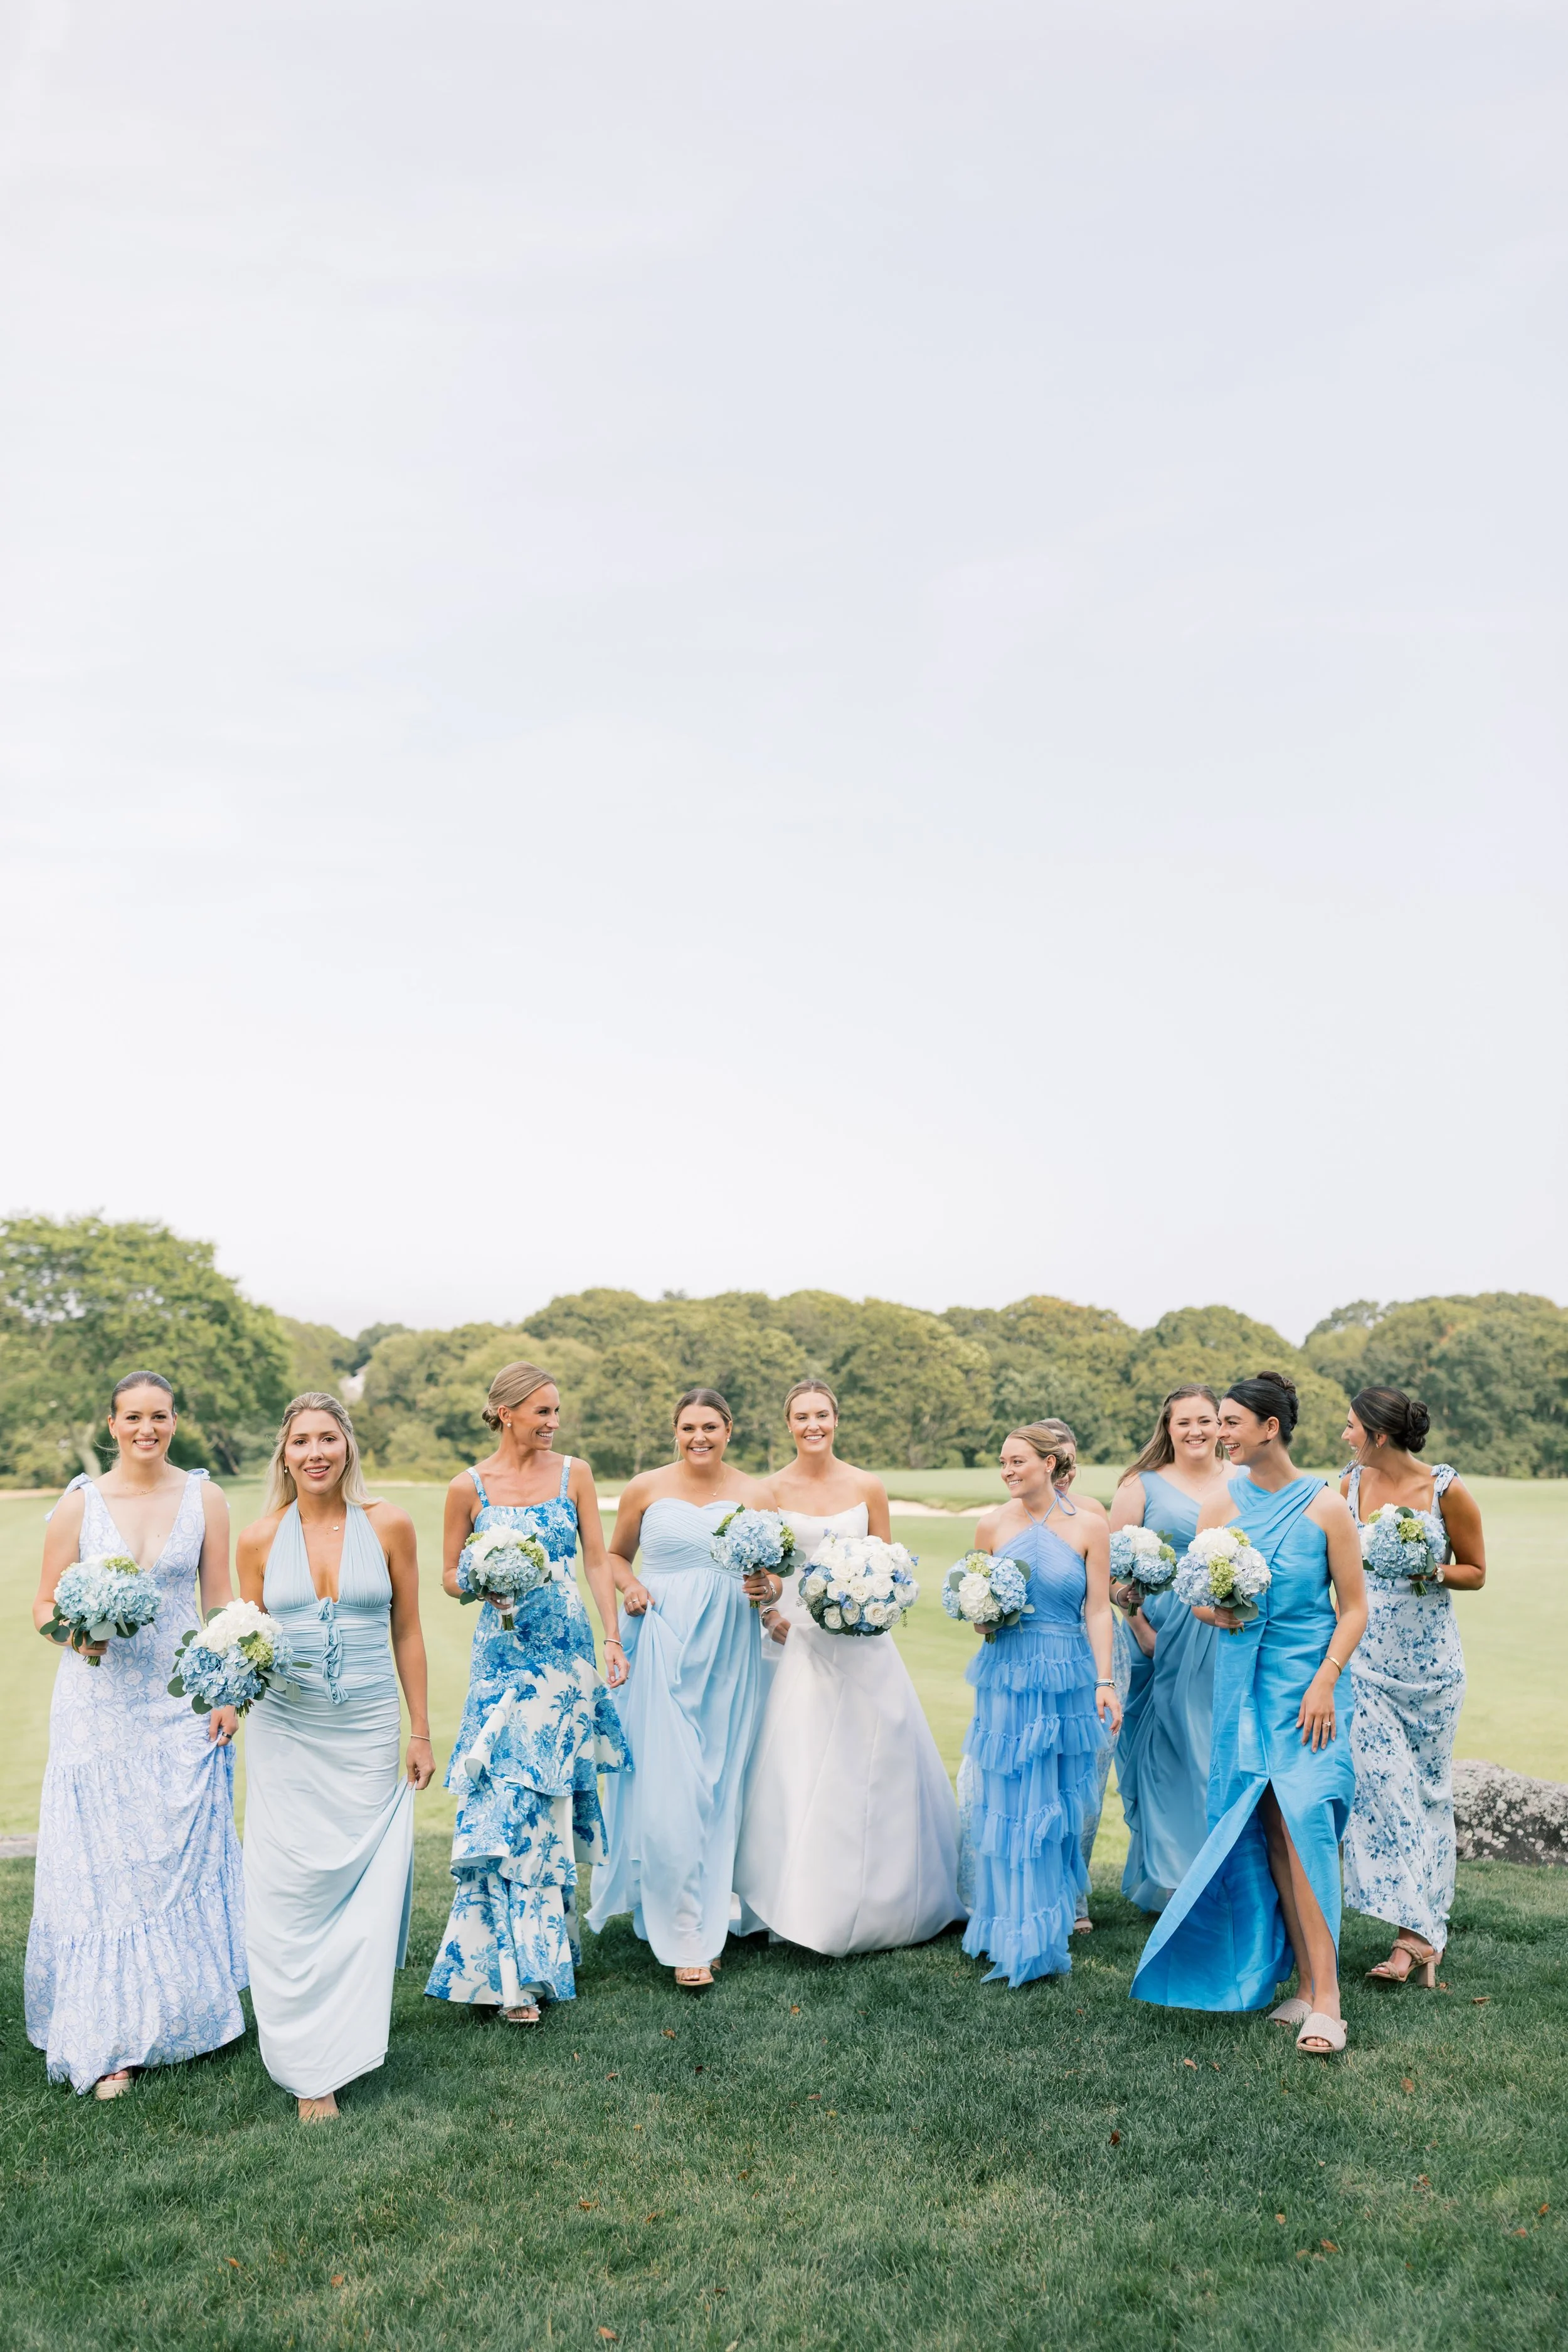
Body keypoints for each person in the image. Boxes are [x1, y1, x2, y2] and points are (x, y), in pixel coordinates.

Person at [1131, 1373, 1367, 2056]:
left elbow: (1353, 1608)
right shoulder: (1218, 1508)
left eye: (1231, 1423)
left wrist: (1325, 1681)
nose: (1219, 1434)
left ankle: (1329, 2001)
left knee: (1305, 1831)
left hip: (1307, 1690)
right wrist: (1221, 1610)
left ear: (1270, 1429)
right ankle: (1297, 1982)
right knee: (1264, 1834)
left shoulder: (1326, 1507)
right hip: (1240, 1685)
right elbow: (1199, 1600)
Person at [26, 1371, 247, 2098]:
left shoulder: (204, 1496)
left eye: (159, 1416)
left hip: (179, 1701)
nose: (146, 1429)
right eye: (132, 1418)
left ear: (175, 1422)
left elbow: (221, 1601)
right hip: (98, 1707)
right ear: (112, 1424)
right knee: (106, 1867)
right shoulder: (79, 1505)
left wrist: (226, 1693)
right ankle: (110, 2039)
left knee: (172, 1856)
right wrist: (77, 1634)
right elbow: (43, 1606)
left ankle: (185, 2015)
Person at [238, 1394, 434, 2122]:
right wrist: (227, 1696)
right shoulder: (259, 1539)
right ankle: (304, 2068)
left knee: (361, 1886)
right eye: (300, 1442)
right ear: (283, 1455)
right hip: (287, 1731)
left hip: (369, 1729)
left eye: (327, 1438)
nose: (314, 1452)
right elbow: (243, 1636)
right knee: (289, 1888)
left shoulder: (388, 1524)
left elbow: (408, 1632)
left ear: (347, 1447)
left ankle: (345, 2042)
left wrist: (419, 1730)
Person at [425, 1362, 630, 2026]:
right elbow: (449, 1577)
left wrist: (611, 1640)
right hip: (502, 1663)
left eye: (556, 1411)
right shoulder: (468, 1486)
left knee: (552, 1808)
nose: (553, 1422)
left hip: (565, 1658)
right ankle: (499, 1971)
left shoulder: (576, 1474)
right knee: (503, 1803)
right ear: (505, 1411)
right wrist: (483, 1581)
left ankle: (542, 1965)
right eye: (541, 1411)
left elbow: (597, 1558)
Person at [733, 1380, 959, 1954]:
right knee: (799, 1768)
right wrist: (769, 1617)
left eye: (822, 1415)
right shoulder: (768, 1491)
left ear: (837, 1419)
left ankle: (890, 1900)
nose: (813, 1425)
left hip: (864, 1645)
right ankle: (796, 1904)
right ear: (788, 1423)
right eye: (802, 1416)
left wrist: (876, 1609)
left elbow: (892, 1566)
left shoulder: (867, 1485)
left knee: (878, 1765)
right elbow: (760, 1576)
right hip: (793, 1645)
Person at [588, 1389, 776, 1989]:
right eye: (689, 1427)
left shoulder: (758, 1493)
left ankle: (702, 1912)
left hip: (730, 1649)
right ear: (675, 1431)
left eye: (711, 1427)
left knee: (718, 1784)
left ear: (730, 1430)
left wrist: (767, 1590)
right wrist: (631, 1589)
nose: (700, 1437)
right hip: (662, 1640)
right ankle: (684, 1934)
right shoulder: (645, 1487)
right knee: (672, 1783)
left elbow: (773, 1575)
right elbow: (614, 1558)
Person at [958, 1422, 1120, 1986]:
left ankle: (1047, 1931)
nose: (1007, 1470)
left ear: (1050, 1465)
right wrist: (982, 1613)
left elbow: (1098, 1610)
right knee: (1005, 1802)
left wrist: (1105, 1680)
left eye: (1018, 1461)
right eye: (1002, 1461)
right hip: (1007, 1675)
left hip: (1066, 1674)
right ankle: (1007, 1928)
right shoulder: (990, 1525)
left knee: (1054, 1805)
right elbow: (980, 1617)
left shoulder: (1090, 1527)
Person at [1340, 1385, 1485, 1986]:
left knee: (1429, 1795)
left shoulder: (1446, 1490)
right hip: (1367, 1665)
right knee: (1383, 1792)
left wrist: (1429, 1567)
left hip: (1433, 1671)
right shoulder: (1347, 1486)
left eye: (1350, 1426)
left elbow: (1475, 1572)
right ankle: (1414, 1930)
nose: (1343, 1435)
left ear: (1378, 1433)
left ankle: (1419, 1938)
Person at [1108, 1387, 1230, 1911]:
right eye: (1185, 1422)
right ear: (1169, 1426)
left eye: (1206, 1420)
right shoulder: (1141, 1484)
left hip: (1224, 1633)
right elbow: (1112, 1573)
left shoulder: (1243, 1479)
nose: (1196, 1431)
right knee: (1164, 1756)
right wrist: (1139, 1627)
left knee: (1210, 1755)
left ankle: (1215, 1871)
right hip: (1156, 1635)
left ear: (1222, 1425)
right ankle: (1173, 1879)